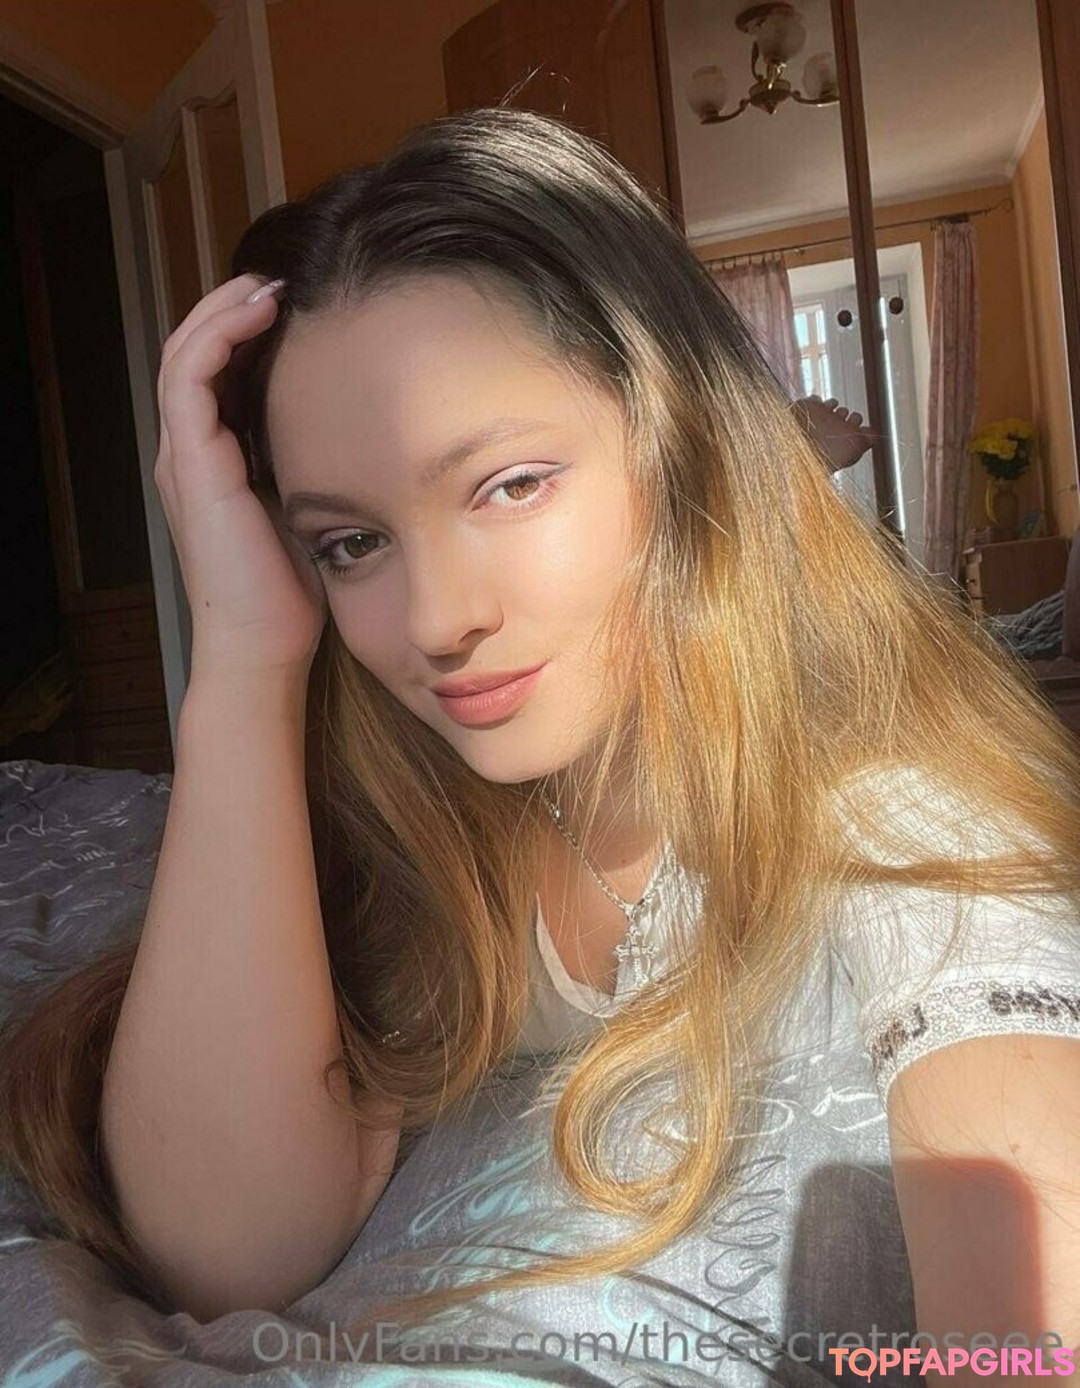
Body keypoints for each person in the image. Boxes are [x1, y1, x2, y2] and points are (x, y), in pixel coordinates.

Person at [1, 106, 1079, 1377]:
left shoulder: (903, 813)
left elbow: (1030, 1327)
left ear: (688, 442)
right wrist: (243, 654)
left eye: (510, 484)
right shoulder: (413, 799)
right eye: (352, 542)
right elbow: (225, 1249)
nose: (436, 620)